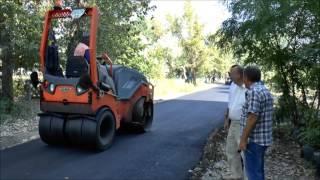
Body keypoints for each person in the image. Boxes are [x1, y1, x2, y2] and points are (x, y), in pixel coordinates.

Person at [239, 66, 273, 180]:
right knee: (258, 171)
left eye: (243, 76)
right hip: (262, 139)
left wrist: (243, 140)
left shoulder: (254, 92)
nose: (242, 79)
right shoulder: (264, 89)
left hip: (255, 140)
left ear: (246, 77)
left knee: (253, 173)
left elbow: (252, 117)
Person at [224, 65, 246, 180]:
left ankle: (248, 177)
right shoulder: (232, 85)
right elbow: (230, 103)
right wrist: (227, 118)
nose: (229, 75)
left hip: (243, 125)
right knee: (231, 151)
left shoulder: (248, 88)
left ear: (239, 75)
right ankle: (237, 176)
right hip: (233, 123)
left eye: (231, 73)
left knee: (245, 154)